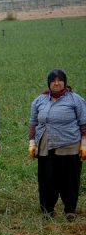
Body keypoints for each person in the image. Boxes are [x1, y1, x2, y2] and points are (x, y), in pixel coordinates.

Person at [29, 69, 86, 221]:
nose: (56, 83)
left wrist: (84, 144)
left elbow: (84, 123)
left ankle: (70, 209)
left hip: (69, 146)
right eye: (53, 80)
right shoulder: (40, 100)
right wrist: (32, 143)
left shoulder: (75, 100)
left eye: (60, 80)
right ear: (49, 83)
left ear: (64, 82)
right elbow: (33, 123)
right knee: (47, 179)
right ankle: (47, 209)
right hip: (46, 146)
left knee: (70, 179)